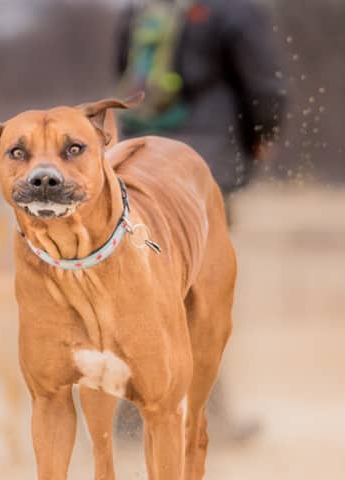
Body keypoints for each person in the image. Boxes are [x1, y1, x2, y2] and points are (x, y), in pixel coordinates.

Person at [113, 0, 287, 444]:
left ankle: (132, 417)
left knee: (139, 283)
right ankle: (206, 418)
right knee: (200, 292)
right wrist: (262, 138)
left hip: (139, 161)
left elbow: (123, 73)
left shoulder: (140, 9)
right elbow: (265, 90)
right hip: (202, 168)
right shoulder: (235, 11)